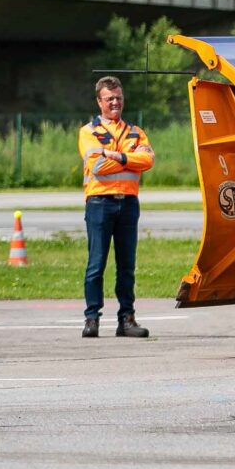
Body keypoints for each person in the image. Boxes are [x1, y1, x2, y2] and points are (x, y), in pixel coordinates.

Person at [79, 75, 154, 338]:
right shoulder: (88, 132)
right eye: (109, 98)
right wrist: (130, 159)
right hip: (100, 202)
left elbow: (147, 160)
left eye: (119, 98)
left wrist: (117, 155)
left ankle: (126, 319)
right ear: (99, 101)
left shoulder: (135, 131)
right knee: (96, 264)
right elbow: (97, 166)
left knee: (127, 266)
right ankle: (92, 319)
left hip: (128, 203)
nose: (115, 102)